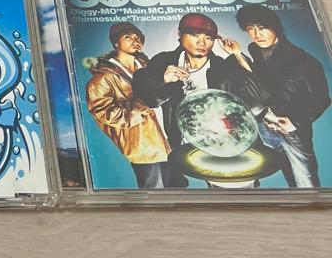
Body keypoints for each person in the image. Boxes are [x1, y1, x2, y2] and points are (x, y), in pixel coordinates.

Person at [132, 12, 265, 186]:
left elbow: (258, 100)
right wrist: (163, 81)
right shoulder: (164, 61)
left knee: (236, 190)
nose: (202, 43)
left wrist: (238, 54)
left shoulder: (223, 67)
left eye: (208, 38)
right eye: (195, 35)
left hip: (224, 142)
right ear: (180, 35)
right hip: (183, 141)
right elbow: (148, 99)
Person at [235, 4, 330, 187]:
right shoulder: (257, 51)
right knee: (288, 174)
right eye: (250, 28)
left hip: (291, 130)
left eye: (262, 27)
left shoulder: (300, 59)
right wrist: (237, 54)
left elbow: (322, 99)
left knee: (305, 182)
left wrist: (295, 122)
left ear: (275, 26)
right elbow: (260, 85)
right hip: (266, 127)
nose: (256, 34)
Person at [85, 22, 173, 189]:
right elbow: (104, 113)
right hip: (144, 148)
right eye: (128, 37)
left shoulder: (150, 67)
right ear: (116, 43)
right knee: (156, 195)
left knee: (176, 191)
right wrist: (143, 104)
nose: (135, 40)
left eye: (138, 38)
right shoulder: (102, 78)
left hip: (169, 142)